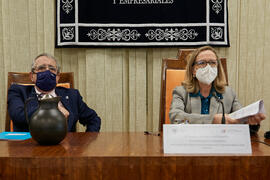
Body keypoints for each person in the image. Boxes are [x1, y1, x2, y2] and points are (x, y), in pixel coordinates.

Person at [169, 46, 265, 132]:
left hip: (221, 143)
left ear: (218, 68)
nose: (208, 67)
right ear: (193, 70)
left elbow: (239, 118)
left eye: (212, 63)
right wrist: (212, 120)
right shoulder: (181, 92)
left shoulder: (229, 93)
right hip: (189, 141)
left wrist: (251, 120)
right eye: (202, 63)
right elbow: (176, 117)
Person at [8, 53, 101, 132]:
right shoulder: (18, 91)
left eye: (52, 69)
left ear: (57, 77)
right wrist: (52, 107)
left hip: (65, 149)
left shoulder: (72, 95)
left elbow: (94, 119)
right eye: (41, 68)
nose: (47, 72)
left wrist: (84, 143)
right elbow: (18, 116)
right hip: (29, 148)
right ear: (32, 76)